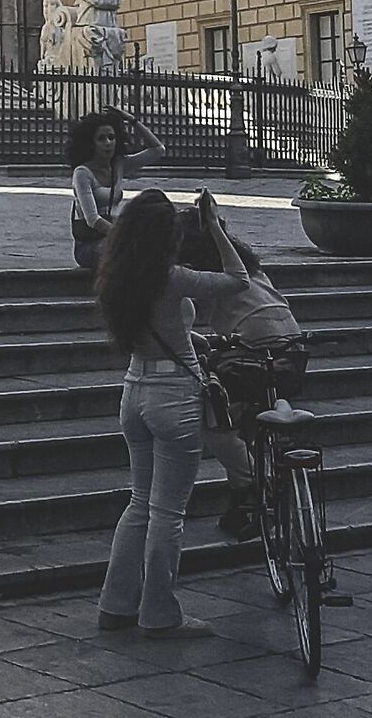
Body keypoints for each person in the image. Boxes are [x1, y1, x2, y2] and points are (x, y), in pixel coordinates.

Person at [93, 189, 241, 638]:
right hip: (174, 395)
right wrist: (214, 226)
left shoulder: (119, 276)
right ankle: (159, 612)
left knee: (139, 502)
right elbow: (239, 279)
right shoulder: (171, 277)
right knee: (167, 512)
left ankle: (116, 604)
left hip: (134, 389)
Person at [184, 191, 304, 540]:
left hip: (251, 341)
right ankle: (272, 464)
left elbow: (192, 318)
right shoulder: (245, 259)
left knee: (215, 418)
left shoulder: (205, 270)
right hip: (291, 338)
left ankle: (248, 482)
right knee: (259, 400)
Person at [67, 109, 164, 272]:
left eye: (111, 137)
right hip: (89, 245)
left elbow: (158, 150)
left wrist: (132, 120)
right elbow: (93, 219)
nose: (108, 143)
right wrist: (125, 235)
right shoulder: (82, 173)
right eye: (101, 139)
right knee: (131, 253)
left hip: (116, 236)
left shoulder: (119, 165)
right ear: (91, 143)